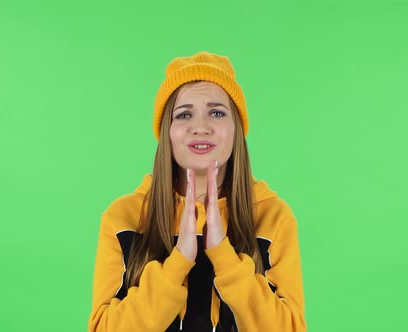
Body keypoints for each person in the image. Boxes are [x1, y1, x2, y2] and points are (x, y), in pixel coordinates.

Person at [88, 51, 306, 332]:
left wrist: (223, 255)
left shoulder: (273, 218)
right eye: (184, 114)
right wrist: (178, 262)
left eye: (216, 112)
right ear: (167, 131)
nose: (200, 127)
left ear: (236, 129)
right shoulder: (123, 219)